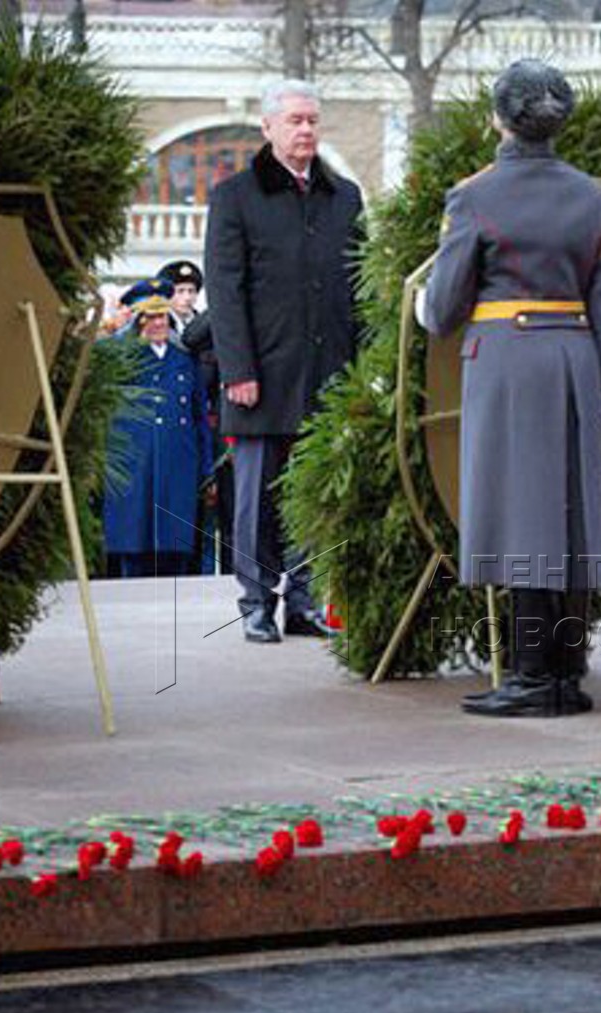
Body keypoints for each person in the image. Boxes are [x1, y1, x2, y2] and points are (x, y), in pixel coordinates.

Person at [420, 60, 601, 717]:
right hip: (575, 355)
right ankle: (564, 673)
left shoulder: (474, 194)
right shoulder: (593, 196)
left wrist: (427, 306)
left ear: (500, 119)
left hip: (507, 358)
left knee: (520, 517)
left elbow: (446, 303)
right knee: (564, 517)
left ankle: (533, 678)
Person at [204, 79, 363, 643]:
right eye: (295, 120)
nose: (305, 130)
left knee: (313, 495)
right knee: (254, 499)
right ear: (268, 127)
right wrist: (238, 370)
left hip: (328, 375)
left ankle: (303, 600)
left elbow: (355, 282)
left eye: (313, 121)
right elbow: (224, 292)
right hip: (260, 376)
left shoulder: (343, 197)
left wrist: (360, 369)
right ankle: (254, 601)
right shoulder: (235, 197)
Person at [103, 281, 213, 578]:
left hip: (178, 465)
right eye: (149, 318)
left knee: (175, 546)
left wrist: (206, 469)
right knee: (134, 545)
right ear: (138, 321)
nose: (157, 324)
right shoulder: (121, 357)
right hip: (136, 466)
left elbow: (198, 415)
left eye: (161, 317)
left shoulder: (183, 359)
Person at [157, 259, 204, 343]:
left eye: (191, 291)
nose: (187, 298)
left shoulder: (204, 323)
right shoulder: (157, 325)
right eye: (180, 291)